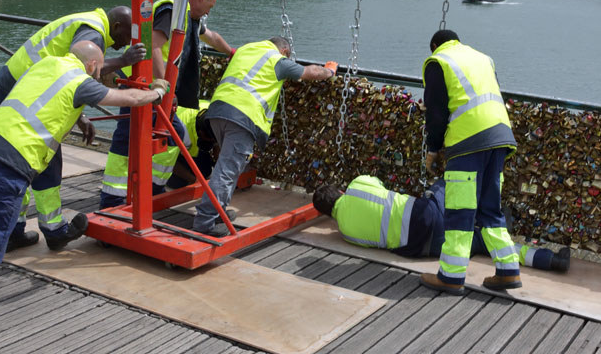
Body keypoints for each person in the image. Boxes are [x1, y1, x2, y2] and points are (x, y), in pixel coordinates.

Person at [0, 42, 169, 347]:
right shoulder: (79, 80)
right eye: (100, 68)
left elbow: (41, 102)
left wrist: (77, 116)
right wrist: (157, 91)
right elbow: (129, 97)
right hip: (9, 166)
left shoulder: (45, 66)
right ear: (94, 65)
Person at [0, 6, 146, 252]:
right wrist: (124, 62)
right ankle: (54, 231)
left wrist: (80, 117)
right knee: (44, 160)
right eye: (127, 37)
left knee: (23, 162)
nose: (125, 44)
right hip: (27, 90)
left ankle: (13, 231)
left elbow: (63, 79)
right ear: (116, 26)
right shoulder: (94, 32)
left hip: (21, 85)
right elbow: (79, 73)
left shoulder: (88, 22)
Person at [99, 0, 230, 207]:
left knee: (170, 137)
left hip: (151, 88)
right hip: (144, 86)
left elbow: (211, 36)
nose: (210, 11)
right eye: (211, 6)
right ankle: (114, 199)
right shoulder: (172, 10)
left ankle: (150, 188)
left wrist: (231, 52)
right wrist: (166, 88)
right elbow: (155, 46)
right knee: (131, 141)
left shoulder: (188, 16)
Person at [192, 37, 337, 237]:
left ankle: (218, 213)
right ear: (285, 51)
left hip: (217, 110)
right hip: (242, 116)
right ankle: (205, 222)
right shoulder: (276, 59)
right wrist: (329, 71)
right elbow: (309, 72)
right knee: (226, 170)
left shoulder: (246, 49)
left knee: (228, 167)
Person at [420, 29, 520, 295]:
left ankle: (451, 277)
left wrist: (432, 149)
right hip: (500, 136)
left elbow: (437, 112)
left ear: (434, 45)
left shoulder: (438, 61)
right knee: (490, 209)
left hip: (468, 142)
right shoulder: (482, 58)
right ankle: (508, 271)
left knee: (460, 211)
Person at [312, 176, 568, 271]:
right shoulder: (356, 185)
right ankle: (492, 215)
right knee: (451, 179)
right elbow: (379, 185)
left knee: (481, 245)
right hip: (424, 214)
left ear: (327, 214)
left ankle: (547, 260)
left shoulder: (345, 232)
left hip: (419, 248)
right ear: (340, 191)